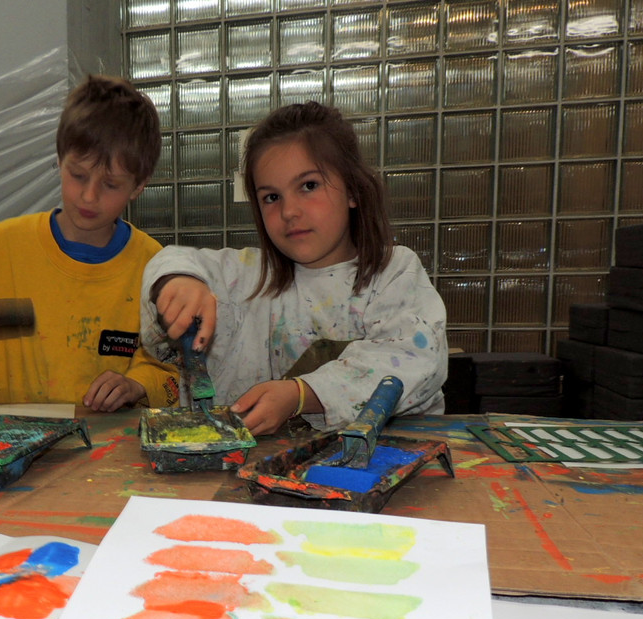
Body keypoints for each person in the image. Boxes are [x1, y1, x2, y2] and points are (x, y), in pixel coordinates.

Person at [141, 101, 447, 436]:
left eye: (309, 186)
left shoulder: (394, 273)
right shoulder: (248, 277)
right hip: (250, 465)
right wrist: (179, 282)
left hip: (386, 459)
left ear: (353, 190)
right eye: (271, 197)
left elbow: (412, 360)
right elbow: (174, 259)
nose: (289, 212)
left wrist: (302, 395)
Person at [0, 74, 179, 411]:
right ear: (59, 160)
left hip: (104, 443)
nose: (89, 196)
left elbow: (174, 373)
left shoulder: (154, 267)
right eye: (78, 175)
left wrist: (136, 384)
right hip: (4, 438)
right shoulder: (2, 248)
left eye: (110, 184)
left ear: (138, 186)